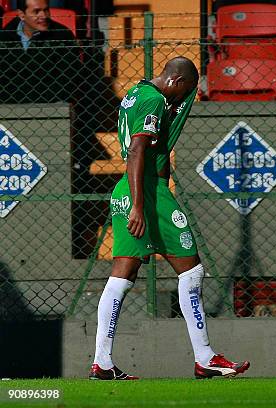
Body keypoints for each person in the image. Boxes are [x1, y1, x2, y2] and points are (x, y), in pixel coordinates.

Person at [89, 57, 250, 380]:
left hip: (127, 190)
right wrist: (139, 205)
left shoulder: (137, 92)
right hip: (148, 193)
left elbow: (147, 134)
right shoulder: (153, 101)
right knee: (191, 270)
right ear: (176, 82)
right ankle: (205, 357)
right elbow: (137, 151)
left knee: (123, 273)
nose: (180, 100)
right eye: (183, 92)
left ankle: (102, 362)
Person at [0, 0, 81, 104]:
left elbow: (69, 79)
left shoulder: (63, 35)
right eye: (36, 11)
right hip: (10, 107)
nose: (43, 15)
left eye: (46, 10)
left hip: (52, 105)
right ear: (21, 15)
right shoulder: (4, 38)